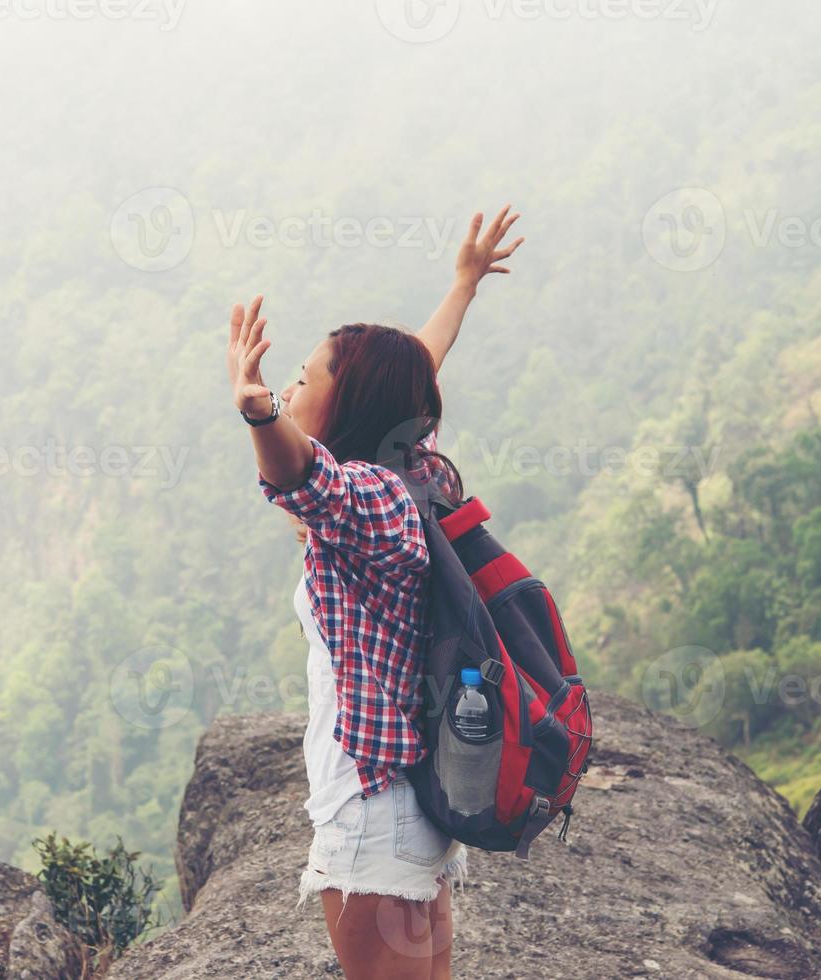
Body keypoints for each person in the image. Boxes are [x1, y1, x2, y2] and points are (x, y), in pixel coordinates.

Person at [224, 207, 523, 980]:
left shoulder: (368, 500)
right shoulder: (413, 473)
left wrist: (256, 409)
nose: (290, 386)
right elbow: (413, 369)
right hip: (411, 803)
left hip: (368, 805)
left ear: (347, 406)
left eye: (303, 378)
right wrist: (461, 287)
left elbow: (301, 477)